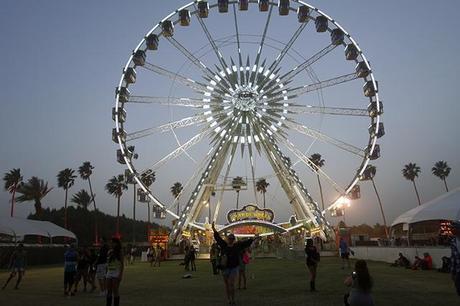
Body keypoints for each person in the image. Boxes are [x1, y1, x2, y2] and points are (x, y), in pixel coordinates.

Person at [212, 222, 256, 305]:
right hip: (225, 267)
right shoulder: (224, 245)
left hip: (233, 268)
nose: (231, 240)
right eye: (230, 239)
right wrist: (214, 229)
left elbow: (246, 243)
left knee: (231, 284)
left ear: (233, 240)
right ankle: (229, 299)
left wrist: (253, 238)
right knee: (227, 285)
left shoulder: (237, 246)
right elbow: (218, 238)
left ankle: (232, 299)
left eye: (232, 239)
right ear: (228, 239)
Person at [106, 237, 124, 306]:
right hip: (109, 272)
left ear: (116, 243)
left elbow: (122, 264)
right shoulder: (110, 251)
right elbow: (108, 262)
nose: (111, 244)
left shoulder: (120, 251)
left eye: (112, 243)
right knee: (109, 291)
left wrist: (120, 274)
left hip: (116, 272)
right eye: (111, 243)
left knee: (115, 291)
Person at [450, 220, 460, 296]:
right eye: (451, 228)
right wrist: (453, 272)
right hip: (458, 271)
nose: (451, 230)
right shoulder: (453, 241)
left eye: (453, 228)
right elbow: (453, 258)